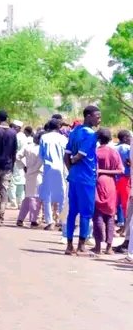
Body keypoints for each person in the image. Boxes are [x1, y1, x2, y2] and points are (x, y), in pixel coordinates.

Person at [64, 105, 102, 255]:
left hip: (74, 178)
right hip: (86, 178)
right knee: (86, 213)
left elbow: (66, 155)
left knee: (72, 212)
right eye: (97, 116)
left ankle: (69, 246)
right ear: (88, 116)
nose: (99, 119)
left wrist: (71, 170)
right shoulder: (90, 135)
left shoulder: (74, 132)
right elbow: (79, 156)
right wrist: (74, 163)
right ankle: (81, 247)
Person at [93, 128, 122, 254]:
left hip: (97, 183)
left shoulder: (95, 152)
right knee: (110, 216)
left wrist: (100, 171)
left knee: (97, 215)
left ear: (98, 139)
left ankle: (98, 246)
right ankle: (109, 247)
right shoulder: (114, 152)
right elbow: (120, 170)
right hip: (110, 184)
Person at [38, 120, 68, 230]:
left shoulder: (44, 138)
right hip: (62, 169)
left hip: (48, 168)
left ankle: (50, 222)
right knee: (63, 196)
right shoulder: (64, 139)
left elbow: (41, 155)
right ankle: (62, 222)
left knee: (47, 196)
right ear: (59, 127)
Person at [17, 129, 43, 227]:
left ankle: (20, 219)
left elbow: (17, 156)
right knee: (34, 198)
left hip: (29, 173)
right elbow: (40, 163)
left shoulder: (27, 147)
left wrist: (24, 167)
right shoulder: (41, 149)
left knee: (28, 198)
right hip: (37, 174)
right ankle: (33, 220)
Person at [9, 121, 28, 211]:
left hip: (15, 160)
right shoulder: (24, 136)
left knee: (13, 182)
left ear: (19, 128)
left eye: (14, 127)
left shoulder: (16, 136)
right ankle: (20, 202)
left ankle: (14, 203)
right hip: (22, 161)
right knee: (20, 182)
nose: (13, 128)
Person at [115, 129, 131, 233]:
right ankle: (125, 228)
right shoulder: (127, 148)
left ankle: (120, 226)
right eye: (130, 137)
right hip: (125, 179)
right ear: (125, 138)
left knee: (117, 203)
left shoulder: (114, 147)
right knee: (126, 205)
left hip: (115, 178)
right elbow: (129, 162)